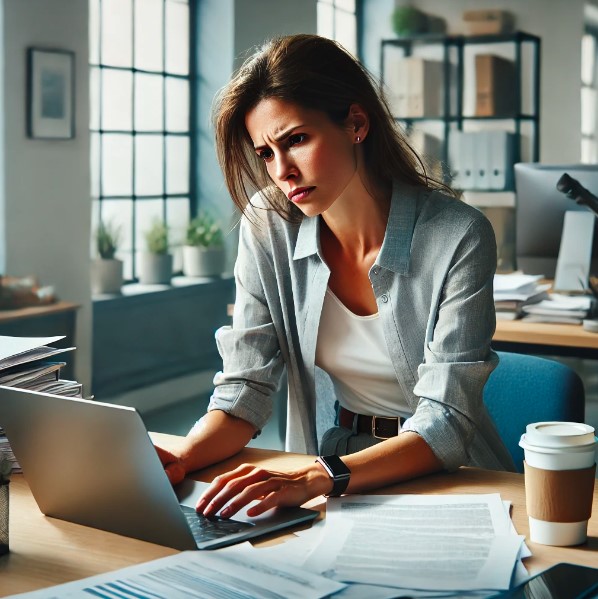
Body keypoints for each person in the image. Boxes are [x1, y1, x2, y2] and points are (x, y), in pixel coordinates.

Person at [156, 33, 515, 520]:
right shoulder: (269, 224)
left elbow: (446, 423)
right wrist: (181, 457)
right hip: (326, 468)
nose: (282, 171)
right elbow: (247, 385)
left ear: (356, 124)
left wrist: (316, 477)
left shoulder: (458, 234)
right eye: (265, 153)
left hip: (445, 481)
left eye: (296, 140)